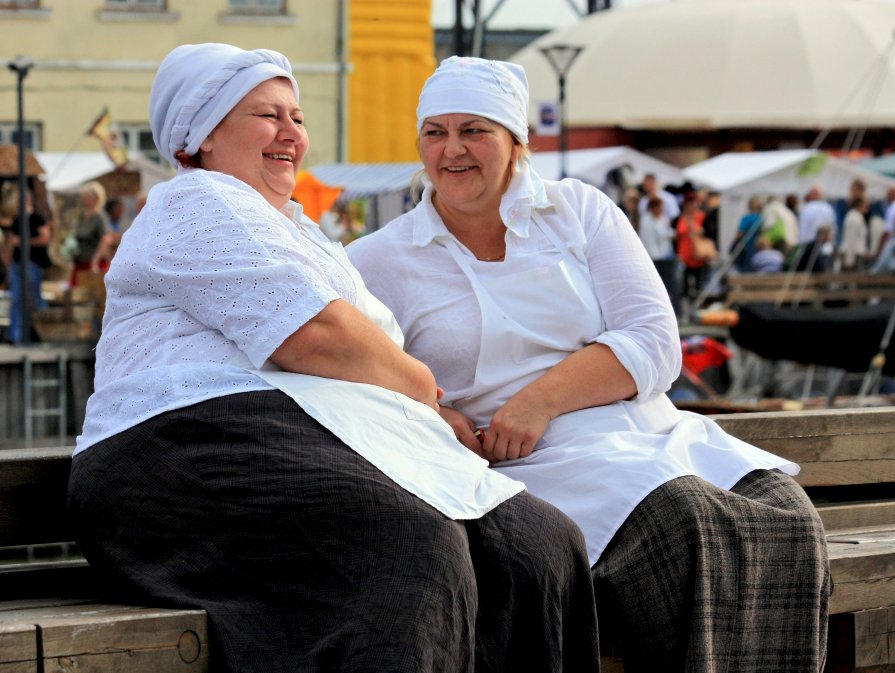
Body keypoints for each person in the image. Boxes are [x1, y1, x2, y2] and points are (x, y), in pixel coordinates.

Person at [67, 44, 600, 673]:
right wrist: (425, 390)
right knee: (407, 546)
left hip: (305, 436)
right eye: (267, 115)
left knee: (541, 545)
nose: (292, 133)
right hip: (181, 450)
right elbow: (322, 337)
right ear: (203, 136)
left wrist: (420, 410)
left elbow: (358, 352)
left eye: (296, 116)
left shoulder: (299, 230)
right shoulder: (197, 201)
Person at [348, 55, 831, 673]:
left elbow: (656, 342)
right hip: (533, 465)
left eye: (475, 130)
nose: (452, 150)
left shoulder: (577, 210)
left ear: (516, 142)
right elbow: (362, 378)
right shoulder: (379, 260)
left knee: (786, 511)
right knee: (684, 519)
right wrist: (442, 416)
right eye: (434, 132)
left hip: (649, 432)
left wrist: (539, 400)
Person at [2, 186, 52, 343]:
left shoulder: (37, 217)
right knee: (17, 298)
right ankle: (14, 335)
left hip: (32, 263)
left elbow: (45, 238)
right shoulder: (16, 220)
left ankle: (45, 331)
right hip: (17, 264)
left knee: (34, 298)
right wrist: (8, 265)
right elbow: (10, 243)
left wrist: (23, 242)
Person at [638, 195, 680, 315]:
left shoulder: (662, 218)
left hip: (665, 257)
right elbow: (660, 234)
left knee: (671, 286)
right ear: (653, 208)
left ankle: (674, 312)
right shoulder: (646, 221)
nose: (662, 210)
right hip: (654, 258)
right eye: (660, 207)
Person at [68, 181, 110, 287]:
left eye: (88, 197)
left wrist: (95, 260)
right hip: (80, 261)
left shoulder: (99, 217)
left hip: (93, 263)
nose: (85, 200)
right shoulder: (82, 216)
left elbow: (106, 239)